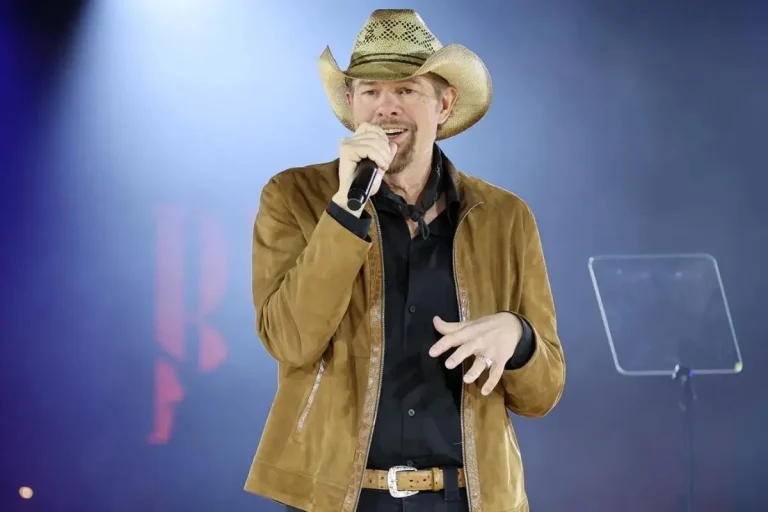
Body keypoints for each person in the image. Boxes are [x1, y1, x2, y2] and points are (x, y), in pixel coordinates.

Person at [244, 9, 565, 512]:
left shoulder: (505, 218)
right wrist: (346, 208)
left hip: (469, 501)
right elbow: (290, 339)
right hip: (337, 501)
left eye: (406, 90)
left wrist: (518, 338)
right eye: (371, 91)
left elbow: (543, 393)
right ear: (350, 104)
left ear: (444, 102)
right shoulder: (294, 198)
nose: (386, 108)